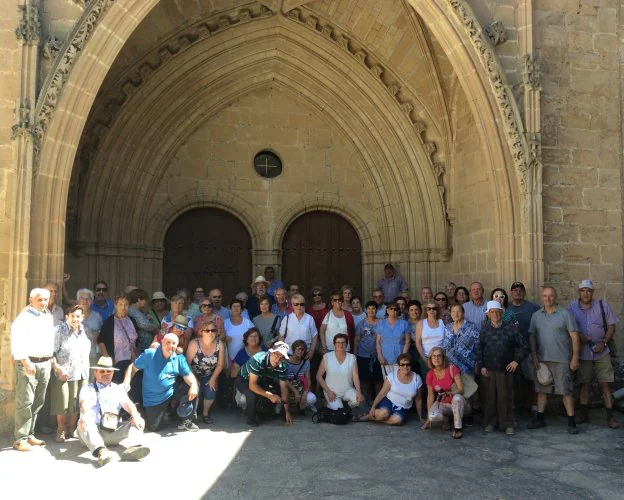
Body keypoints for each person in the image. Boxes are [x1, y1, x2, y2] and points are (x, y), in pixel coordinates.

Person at [77, 356, 150, 467]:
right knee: (85, 421)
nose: (106, 374)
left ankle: (134, 448)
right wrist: (84, 417)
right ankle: (101, 451)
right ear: (95, 373)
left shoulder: (118, 388)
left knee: (135, 419)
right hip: (93, 432)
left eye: (109, 371)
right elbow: (84, 406)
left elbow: (127, 403)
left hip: (113, 431)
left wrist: (135, 415)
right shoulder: (87, 389)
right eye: (102, 371)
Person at [527, 286, 581, 434]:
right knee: (542, 391)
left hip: (562, 360)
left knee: (566, 391)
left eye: (551, 296)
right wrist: (534, 355)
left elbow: (575, 337)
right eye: (545, 296)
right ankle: (540, 419)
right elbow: (531, 336)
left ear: (555, 297)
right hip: (542, 360)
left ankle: (571, 422)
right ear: (541, 297)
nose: (548, 298)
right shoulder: (536, 316)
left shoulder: (565, 314)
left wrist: (575, 357)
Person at [567, 280, 619, 428]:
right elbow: (567, 327)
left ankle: (610, 417)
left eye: (588, 291)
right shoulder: (571, 308)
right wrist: (579, 337)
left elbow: (611, 326)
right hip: (583, 353)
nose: (586, 293)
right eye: (583, 291)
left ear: (593, 292)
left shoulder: (602, 305)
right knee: (584, 384)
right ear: (579, 292)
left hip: (602, 352)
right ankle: (584, 414)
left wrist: (604, 342)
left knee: (605, 384)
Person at [124, 333, 199, 432]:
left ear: (177, 346)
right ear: (162, 342)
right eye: (168, 342)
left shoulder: (179, 358)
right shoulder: (150, 354)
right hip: (153, 398)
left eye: (173, 343)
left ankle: (186, 419)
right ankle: (162, 412)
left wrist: (193, 385)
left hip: (170, 392)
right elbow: (132, 367)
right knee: (154, 428)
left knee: (194, 385)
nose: (171, 345)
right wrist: (126, 381)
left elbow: (188, 375)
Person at [11, 288, 55, 451]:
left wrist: (50, 358)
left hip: (44, 363)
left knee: (38, 401)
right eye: (40, 300)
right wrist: (24, 360)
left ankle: (29, 434)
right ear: (31, 300)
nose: (43, 303)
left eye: (45, 299)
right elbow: (17, 339)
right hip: (29, 362)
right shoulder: (24, 317)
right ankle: (19, 438)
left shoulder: (47, 316)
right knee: (26, 401)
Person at [478, 301, 529, 435]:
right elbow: (479, 349)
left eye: (497, 311)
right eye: (492, 312)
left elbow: (524, 346)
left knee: (506, 398)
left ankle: (507, 424)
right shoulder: (484, 329)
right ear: (488, 314)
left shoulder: (511, 328)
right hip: (488, 370)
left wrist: (516, 361)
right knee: (489, 399)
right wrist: (482, 366)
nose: (495, 314)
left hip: (506, 370)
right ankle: (490, 423)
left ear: (502, 313)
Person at [50, 305, 91, 443]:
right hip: (64, 371)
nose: (75, 319)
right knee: (62, 401)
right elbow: (52, 353)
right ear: (67, 316)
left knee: (76, 402)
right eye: (72, 316)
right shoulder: (59, 330)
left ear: (82, 317)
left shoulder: (85, 330)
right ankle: (61, 429)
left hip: (81, 371)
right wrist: (57, 368)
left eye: (78, 316)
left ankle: (72, 429)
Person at [235, 341, 293, 426]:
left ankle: (283, 414)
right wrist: (270, 395)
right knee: (252, 395)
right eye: (276, 354)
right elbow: (252, 385)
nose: (277, 359)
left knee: (280, 390)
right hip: (244, 379)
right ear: (270, 352)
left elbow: (284, 388)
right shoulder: (258, 359)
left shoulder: (283, 366)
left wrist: (287, 411)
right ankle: (251, 418)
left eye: (282, 357)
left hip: (263, 378)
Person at [359, 353, 422, 425]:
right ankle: (368, 416)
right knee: (384, 413)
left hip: (403, 407)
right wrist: (373, 407)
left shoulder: (417, 378)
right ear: (398, 366)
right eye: (402, 364)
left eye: (408, 364)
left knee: (397, 420)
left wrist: (420, 418)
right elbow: (382, 393)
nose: (405, 367)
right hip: (389, 401)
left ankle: (373, 418)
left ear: (411, 365)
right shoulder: (392, 376)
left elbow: (418, 400)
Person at [422, 346, 469, 439]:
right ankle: (446, 420)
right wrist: (428, 416)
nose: (436, 358)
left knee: (457, 398)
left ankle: (457, 428)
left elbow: (461, 390)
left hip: (459, 404)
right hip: (444, 404)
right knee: (432, 416)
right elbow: (430, 395)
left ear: (443, 358)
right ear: (430, 359)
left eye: (439, 356)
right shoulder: (430, 374)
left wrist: (448, 393)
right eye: (433, 356)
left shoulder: (452, 369)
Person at [186, 321, 225, 424]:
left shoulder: (219, 344)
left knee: (210, 391)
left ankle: (205, 413)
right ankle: (190, 415)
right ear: (201, 332)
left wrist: (213, 379)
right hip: (193, 373)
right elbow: (187, 364)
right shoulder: (194, 343)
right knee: (195, 391)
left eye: (213, 330)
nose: (210, 333)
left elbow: (220, 364)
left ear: (217, 333)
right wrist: (193, 380)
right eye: (207, 330)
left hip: (209, 374)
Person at [316, 334, 365, 410]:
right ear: (334, 344)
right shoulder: (327, 357)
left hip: (347, 389)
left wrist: (359, 392)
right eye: (338, 342)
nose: (340, 344)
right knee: (337, 408)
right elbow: (318, 376)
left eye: (343, 342)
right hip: (331, 391)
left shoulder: (352, 358)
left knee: (358, 401)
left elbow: (355, 376)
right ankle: (329, 404)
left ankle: (345, 407)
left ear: (346, 344)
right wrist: (328, 391)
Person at [97, 294, 139, 380]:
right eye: (120, 304)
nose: (123, 307)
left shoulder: (132, 321)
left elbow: (136, 340)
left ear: (129, 306)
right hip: (116, 363)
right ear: (116, 305)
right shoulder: (109, 322)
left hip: (131, 362)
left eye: (126, 305)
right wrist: (108, 361)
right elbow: (101, 341)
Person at [353, 301, 382, 402]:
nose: (371, 311)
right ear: (365, 310)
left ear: (376, 310)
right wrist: (354, 355)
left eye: (373, 308)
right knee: (365, 381)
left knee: (379, 381)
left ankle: (378, 403)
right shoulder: (361, 324)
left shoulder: (382, 322)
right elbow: (356, 340)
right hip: (363, 355)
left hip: (378, 356)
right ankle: (364, 404)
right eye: (369, 308)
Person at [442, 303, 480, 377]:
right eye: (453, 311)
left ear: (463, 313)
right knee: (452, 388)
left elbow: (478, 345)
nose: (455, 314)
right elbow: (445, 347)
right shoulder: (448, 327)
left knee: (469, 388)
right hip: (450, 367)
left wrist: (478, 363)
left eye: (458, 311)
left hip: (467, 366)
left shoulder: (471, 326)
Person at [376, 301, 411, 374]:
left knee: (400, 381)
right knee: (387, 381)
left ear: (398, 311)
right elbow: (378, 342)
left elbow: (407, 341)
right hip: (385, 357)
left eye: (395, 309)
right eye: (391, 309)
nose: (393, 311)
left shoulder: (404, 323)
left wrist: (402, 358)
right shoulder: (381, 323)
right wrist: (380, 356)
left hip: (399, 358)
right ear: (387, 310)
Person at [286, 340, 317, 413]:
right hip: (289, 387)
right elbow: (284, 379)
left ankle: (302, 405)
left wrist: (305, 393)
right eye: (298, 349)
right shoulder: (285, 361)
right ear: (293, 349)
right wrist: (295, 391)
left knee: (312, 398)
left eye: (302, 349)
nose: (300, 351)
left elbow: (308, 379)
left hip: (302, 386)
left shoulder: (306, 362)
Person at [415, 302, 445, 377]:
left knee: (441, 382)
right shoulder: (421, 323)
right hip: (426, 357)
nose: (431, 310)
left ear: (437, 310)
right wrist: (424, 359)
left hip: (441, 358)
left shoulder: (442, 322)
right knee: (428, 382)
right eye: (429, 309)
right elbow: (418, 342)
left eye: (434, 308)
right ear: (426, 310)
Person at [128, 288, 160, 353]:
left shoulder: (139, 311)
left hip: (144, 346)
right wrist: (156, 329)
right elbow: (145, 325)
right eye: (145, 300)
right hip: (140, 347)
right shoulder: (133, 311)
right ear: (139, 299)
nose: (146, 302)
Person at [225, 299, 255, 364]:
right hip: (228, 357)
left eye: (238, 306)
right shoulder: (225, 323)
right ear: (230, 309)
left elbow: (254, 338)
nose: (236, 308)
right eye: (234, 306)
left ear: (241, 309)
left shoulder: (248, 323)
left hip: (245, 357)